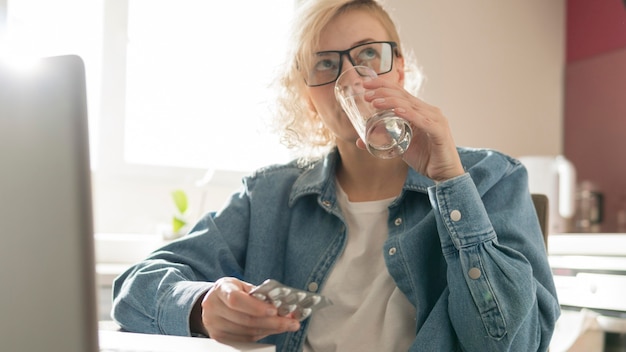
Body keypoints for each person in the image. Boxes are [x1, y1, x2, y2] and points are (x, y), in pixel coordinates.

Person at [111, 0, 560, 351]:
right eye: (326, 64)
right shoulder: (270, 195)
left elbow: (513, 345)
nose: (352, 78)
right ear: (308, 97)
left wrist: (449, 182)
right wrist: (200, 308)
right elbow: (135, 288)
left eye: (368, 54)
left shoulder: (489, 179)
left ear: (399, 71)